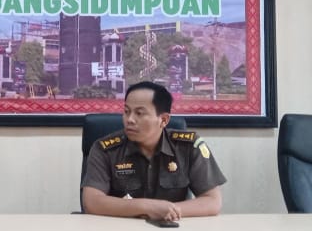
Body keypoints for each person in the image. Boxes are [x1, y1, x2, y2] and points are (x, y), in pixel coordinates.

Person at [81, 81, 225, 222]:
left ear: (163, 120)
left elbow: (212, 201)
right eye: (126, 111)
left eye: (139, 113)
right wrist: (147, 207)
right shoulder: (105, 149)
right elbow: (91, 202)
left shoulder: (188, 147)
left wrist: (169, 210)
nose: (129, 119)